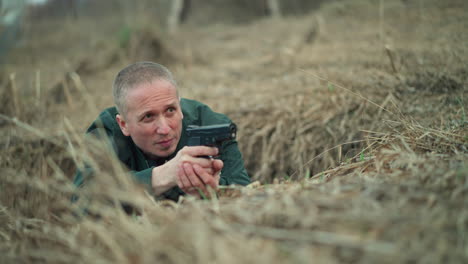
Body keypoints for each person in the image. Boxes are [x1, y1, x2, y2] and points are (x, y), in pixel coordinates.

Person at [73, 61, 250, 201]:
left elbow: (245, 193)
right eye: (148, 117)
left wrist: (212, 187)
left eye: (170, 111)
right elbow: (82, 201)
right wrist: (164, 176)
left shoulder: (210, 124)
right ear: (123, 124)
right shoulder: (106, 132)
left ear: (180, 107)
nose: (164, 129)